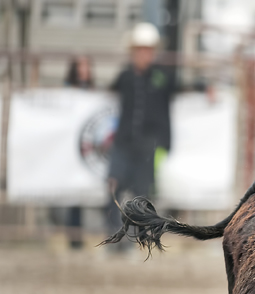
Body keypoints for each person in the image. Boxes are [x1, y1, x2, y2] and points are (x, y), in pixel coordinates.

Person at [107, 22, 174, 237]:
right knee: (113, 185)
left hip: (147, 144)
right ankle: (113, 235)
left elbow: (182, 85)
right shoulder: (124, 77)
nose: (145, 54)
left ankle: (138, 238)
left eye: (148, 49)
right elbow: (108, 92)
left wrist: (203, 87)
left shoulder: (162, 76)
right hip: (123, 141)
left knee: (141, 193)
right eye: (141, 49)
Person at [63, 56, 96, 249]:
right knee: (73, 196)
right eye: (81, 65)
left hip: (88, 149)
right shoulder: (68, 88)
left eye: (87, 65)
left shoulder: (92, 89)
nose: (84, 69)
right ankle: (74, 238)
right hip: (73, 151)